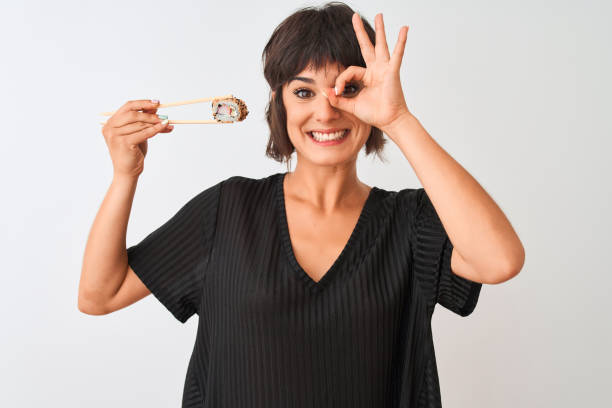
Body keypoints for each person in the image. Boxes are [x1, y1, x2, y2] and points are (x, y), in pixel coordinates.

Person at [79, 2, 524, 407]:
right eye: (304, 92)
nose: (326, 113)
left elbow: (499, 261)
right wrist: (125, 176)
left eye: (346, 90)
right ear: (279, 104)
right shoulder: (228, 210)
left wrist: (398, 120)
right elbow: (100, 295)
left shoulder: (410, 223)